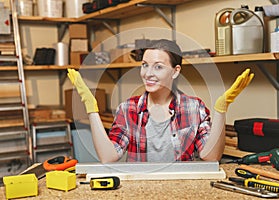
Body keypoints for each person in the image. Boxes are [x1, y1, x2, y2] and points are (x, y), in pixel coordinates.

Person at [67, 39, 254, 163]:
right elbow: (108, 156)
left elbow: (211, 156)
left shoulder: (193, 108)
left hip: (183, 190)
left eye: (158, 67)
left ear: (176, 71)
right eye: (144, 65)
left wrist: (221, 111)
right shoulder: (128, 109)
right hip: (140, 190)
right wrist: (91, 109)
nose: (148, 74)